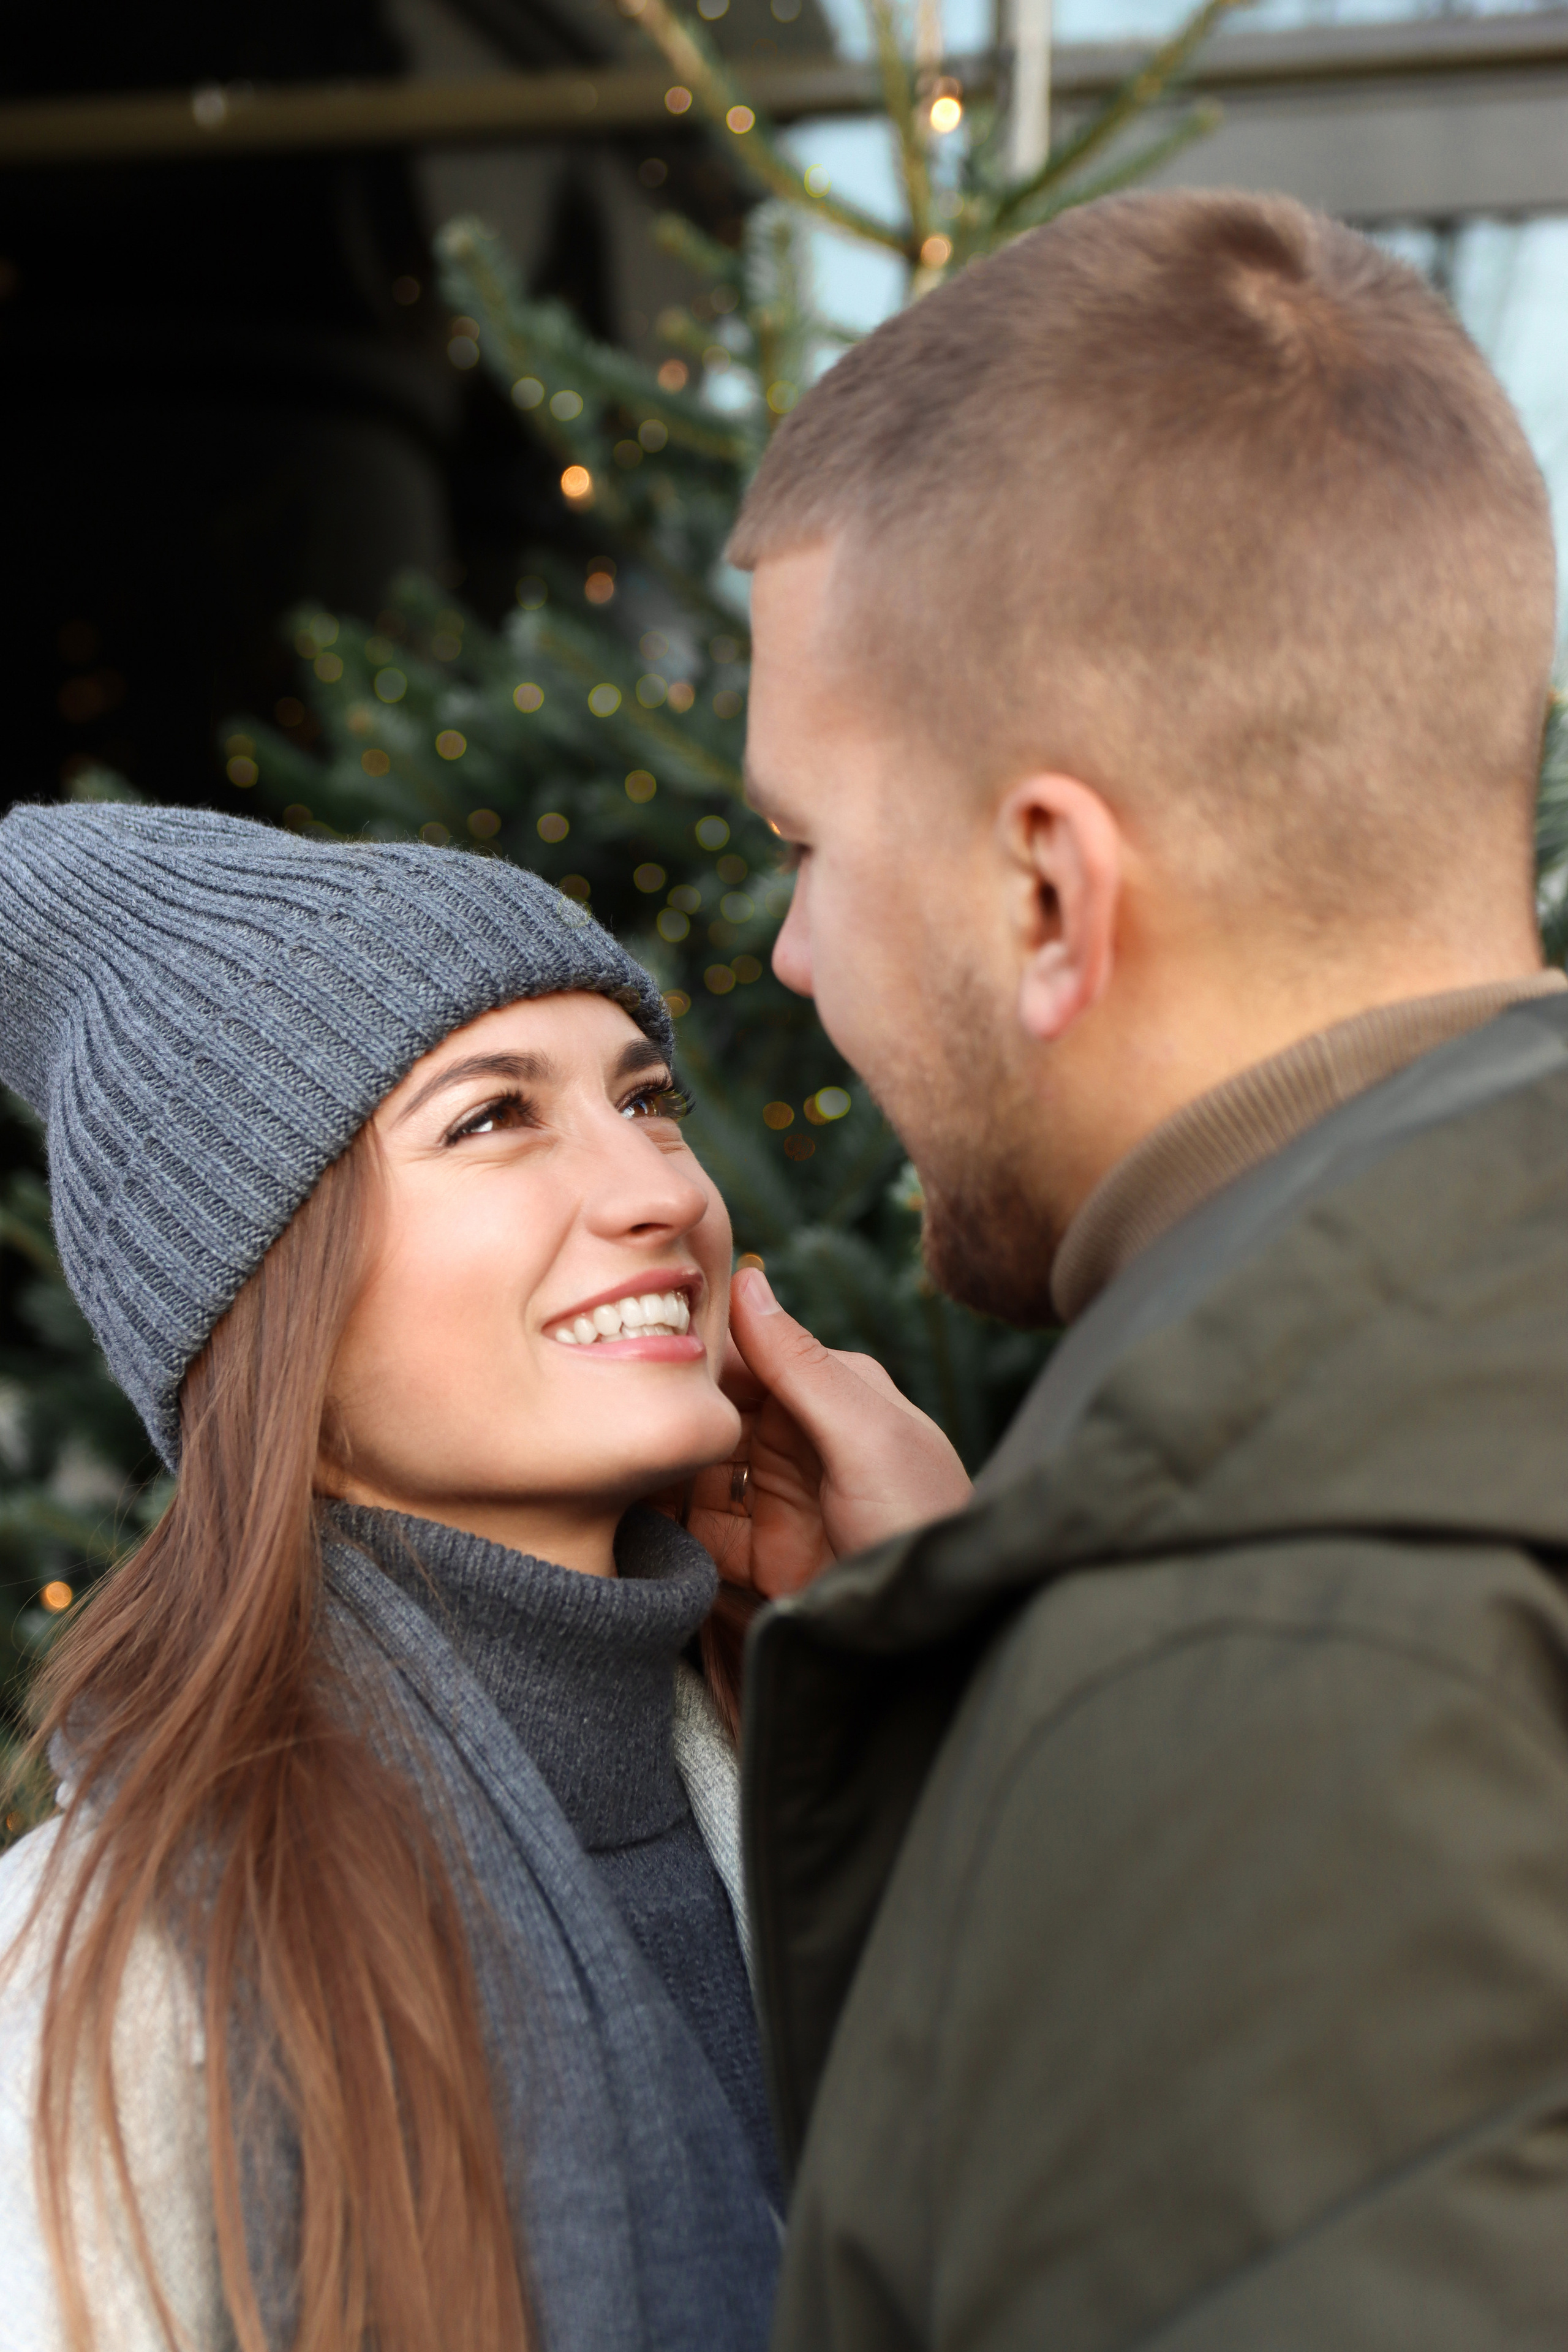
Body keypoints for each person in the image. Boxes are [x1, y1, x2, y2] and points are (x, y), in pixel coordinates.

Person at [723, 189, 1568, 2348]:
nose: (789, 953)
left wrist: (1119, 1694)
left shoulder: (1274, 1659)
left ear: (1049, 899)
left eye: (809, 849)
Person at [0, 801, 962, 2352]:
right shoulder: (117, 1973)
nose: (660, 1191)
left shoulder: (845, 1769)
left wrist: (951, 1639)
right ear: (265, 1296)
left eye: (648, 1101)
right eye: (493, 1118)